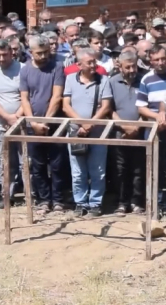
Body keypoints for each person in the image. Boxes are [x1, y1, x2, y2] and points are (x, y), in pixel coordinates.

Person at [63, 48, 112, 217]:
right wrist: (81, 123)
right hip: (76, 133)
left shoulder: (104, 80)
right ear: (79, 65)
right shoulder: (70, 79)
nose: (93, 65)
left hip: (97, 133)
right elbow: (66, 105)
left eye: (94, 62)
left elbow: (105, 106)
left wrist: (90, 123)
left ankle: (95, 203)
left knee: (98, 171)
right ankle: (80, 202)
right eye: (89, 63)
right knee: (78, 172)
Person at [19, 35, 66, 213]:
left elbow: (57, 96)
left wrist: (45, 121)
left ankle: (58, 200)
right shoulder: (25, 70)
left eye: (46, 52)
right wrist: (33, 122)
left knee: (57, 164)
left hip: (53, 124)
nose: (44, 56)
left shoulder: (57, 67)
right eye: (39, 53)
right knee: (37, 166)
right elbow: (24, 98)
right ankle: (44, 200)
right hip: (33, 126)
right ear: (31, 52)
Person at [137, 45, 166, 218]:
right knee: (155, 168)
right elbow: (141, 107)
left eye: (163, 58)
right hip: (155, 128)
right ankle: (157, 203)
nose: (161, 62)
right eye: (157, 60)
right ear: (150, 61)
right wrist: (158, 118)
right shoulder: (146, 79)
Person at [0, 39, 24, 203]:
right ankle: (7, 196)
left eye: (4, 55)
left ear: (11, 52)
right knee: (6, 162)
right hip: (1, 124)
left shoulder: (23, 68)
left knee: (26, 161)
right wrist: (7, 117)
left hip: (22, 123)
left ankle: (31, 194)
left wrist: (16, 117)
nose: (1, 59)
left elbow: (26, 96)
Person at [109, 51, 146, 213]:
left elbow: (148, 107)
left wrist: (136, 128)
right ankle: (122, 202)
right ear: (120, 67)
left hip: (140, 133)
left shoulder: (143, 81)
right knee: (120, 169)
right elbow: (109, 109)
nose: (132, 70)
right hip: (119, 133)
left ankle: (136, 202)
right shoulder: (111, 82)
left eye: (134, 66)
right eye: (128, 67)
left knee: (138, 169)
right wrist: (124, 127)